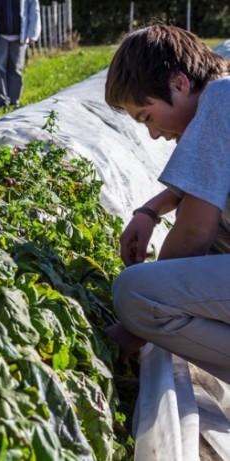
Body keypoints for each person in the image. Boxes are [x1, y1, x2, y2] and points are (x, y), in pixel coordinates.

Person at [103, 25, 230, 384]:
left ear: (178, 83)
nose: (154, 134)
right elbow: (206, 177)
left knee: (135, 290)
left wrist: (139, 323)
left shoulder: (221, 97)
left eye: (147, 116)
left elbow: (194, 232)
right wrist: (151, 210)